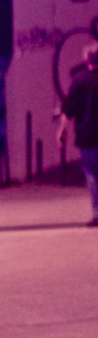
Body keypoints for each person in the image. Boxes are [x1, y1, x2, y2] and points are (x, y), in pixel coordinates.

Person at [57, 43, 98, 226]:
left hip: (87, 133)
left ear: (87, 59)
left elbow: (69, 109)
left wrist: (61, 129)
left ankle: (97, 213)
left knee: (91, 174)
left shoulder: (79, 80)